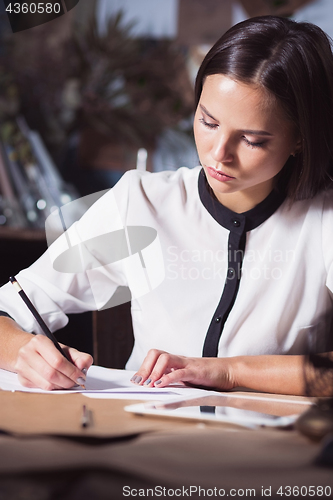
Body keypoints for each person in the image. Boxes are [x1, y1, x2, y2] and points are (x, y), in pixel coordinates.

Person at [0, 15, 333, 395]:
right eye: (208, 122)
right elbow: (10, 306)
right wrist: (22, 350)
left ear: (300, 140)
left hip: (272, 445)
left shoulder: (325, 218)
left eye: (253, 140)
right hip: (142, 436)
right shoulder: (141, 201)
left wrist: (225, 373)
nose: (219, 154)